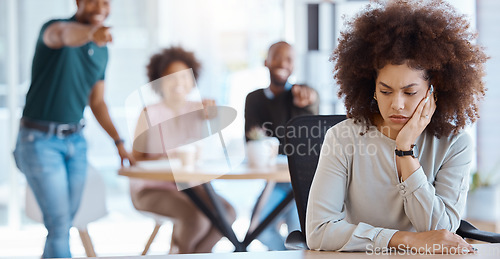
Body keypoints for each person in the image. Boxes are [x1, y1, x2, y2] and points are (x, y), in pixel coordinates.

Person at [306, 0, 488, 254]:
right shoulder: (343, 138)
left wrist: (405, 151)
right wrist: (405, 239)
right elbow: (318, 231)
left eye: (410, 92)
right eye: (386, 91)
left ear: (433, 91)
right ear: (372, 88)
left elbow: (439, 229)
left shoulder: (455, 144)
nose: (397, 105)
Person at [12, 0, 135, 258]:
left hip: (76, 141)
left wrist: (118, 141)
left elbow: (98, 102)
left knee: (63, 222)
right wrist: (91, 33)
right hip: (39, 141)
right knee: (59, 224)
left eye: (106, 2)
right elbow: (65, 35)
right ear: (78, 2)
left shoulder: (102, 50)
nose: (100, 7)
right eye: (93, 1)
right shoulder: (55, 29)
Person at [129, 46, 236, 254]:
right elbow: (136, 159)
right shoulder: (148, 113)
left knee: (228, 214)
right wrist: (164, 158)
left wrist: (213, 116)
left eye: (184, 77)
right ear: (159, 81)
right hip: (152, 188)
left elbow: (214, 139)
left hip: (190, 185)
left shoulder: (200, 109)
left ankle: (193, 255)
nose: (178, 83)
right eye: (170, 77)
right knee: (196, 219)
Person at [244, 41, 319, 250]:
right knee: (259, 228)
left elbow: (303, 144)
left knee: (301, 235)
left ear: (294, 65)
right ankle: (283, 254)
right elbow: (253, 141)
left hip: (302, 183)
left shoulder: (303, 95)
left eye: (289, 59)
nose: (282, 63)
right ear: (266, 62)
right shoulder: (254, 99)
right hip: (274, 182)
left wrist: (308, 101)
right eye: (277, 57)